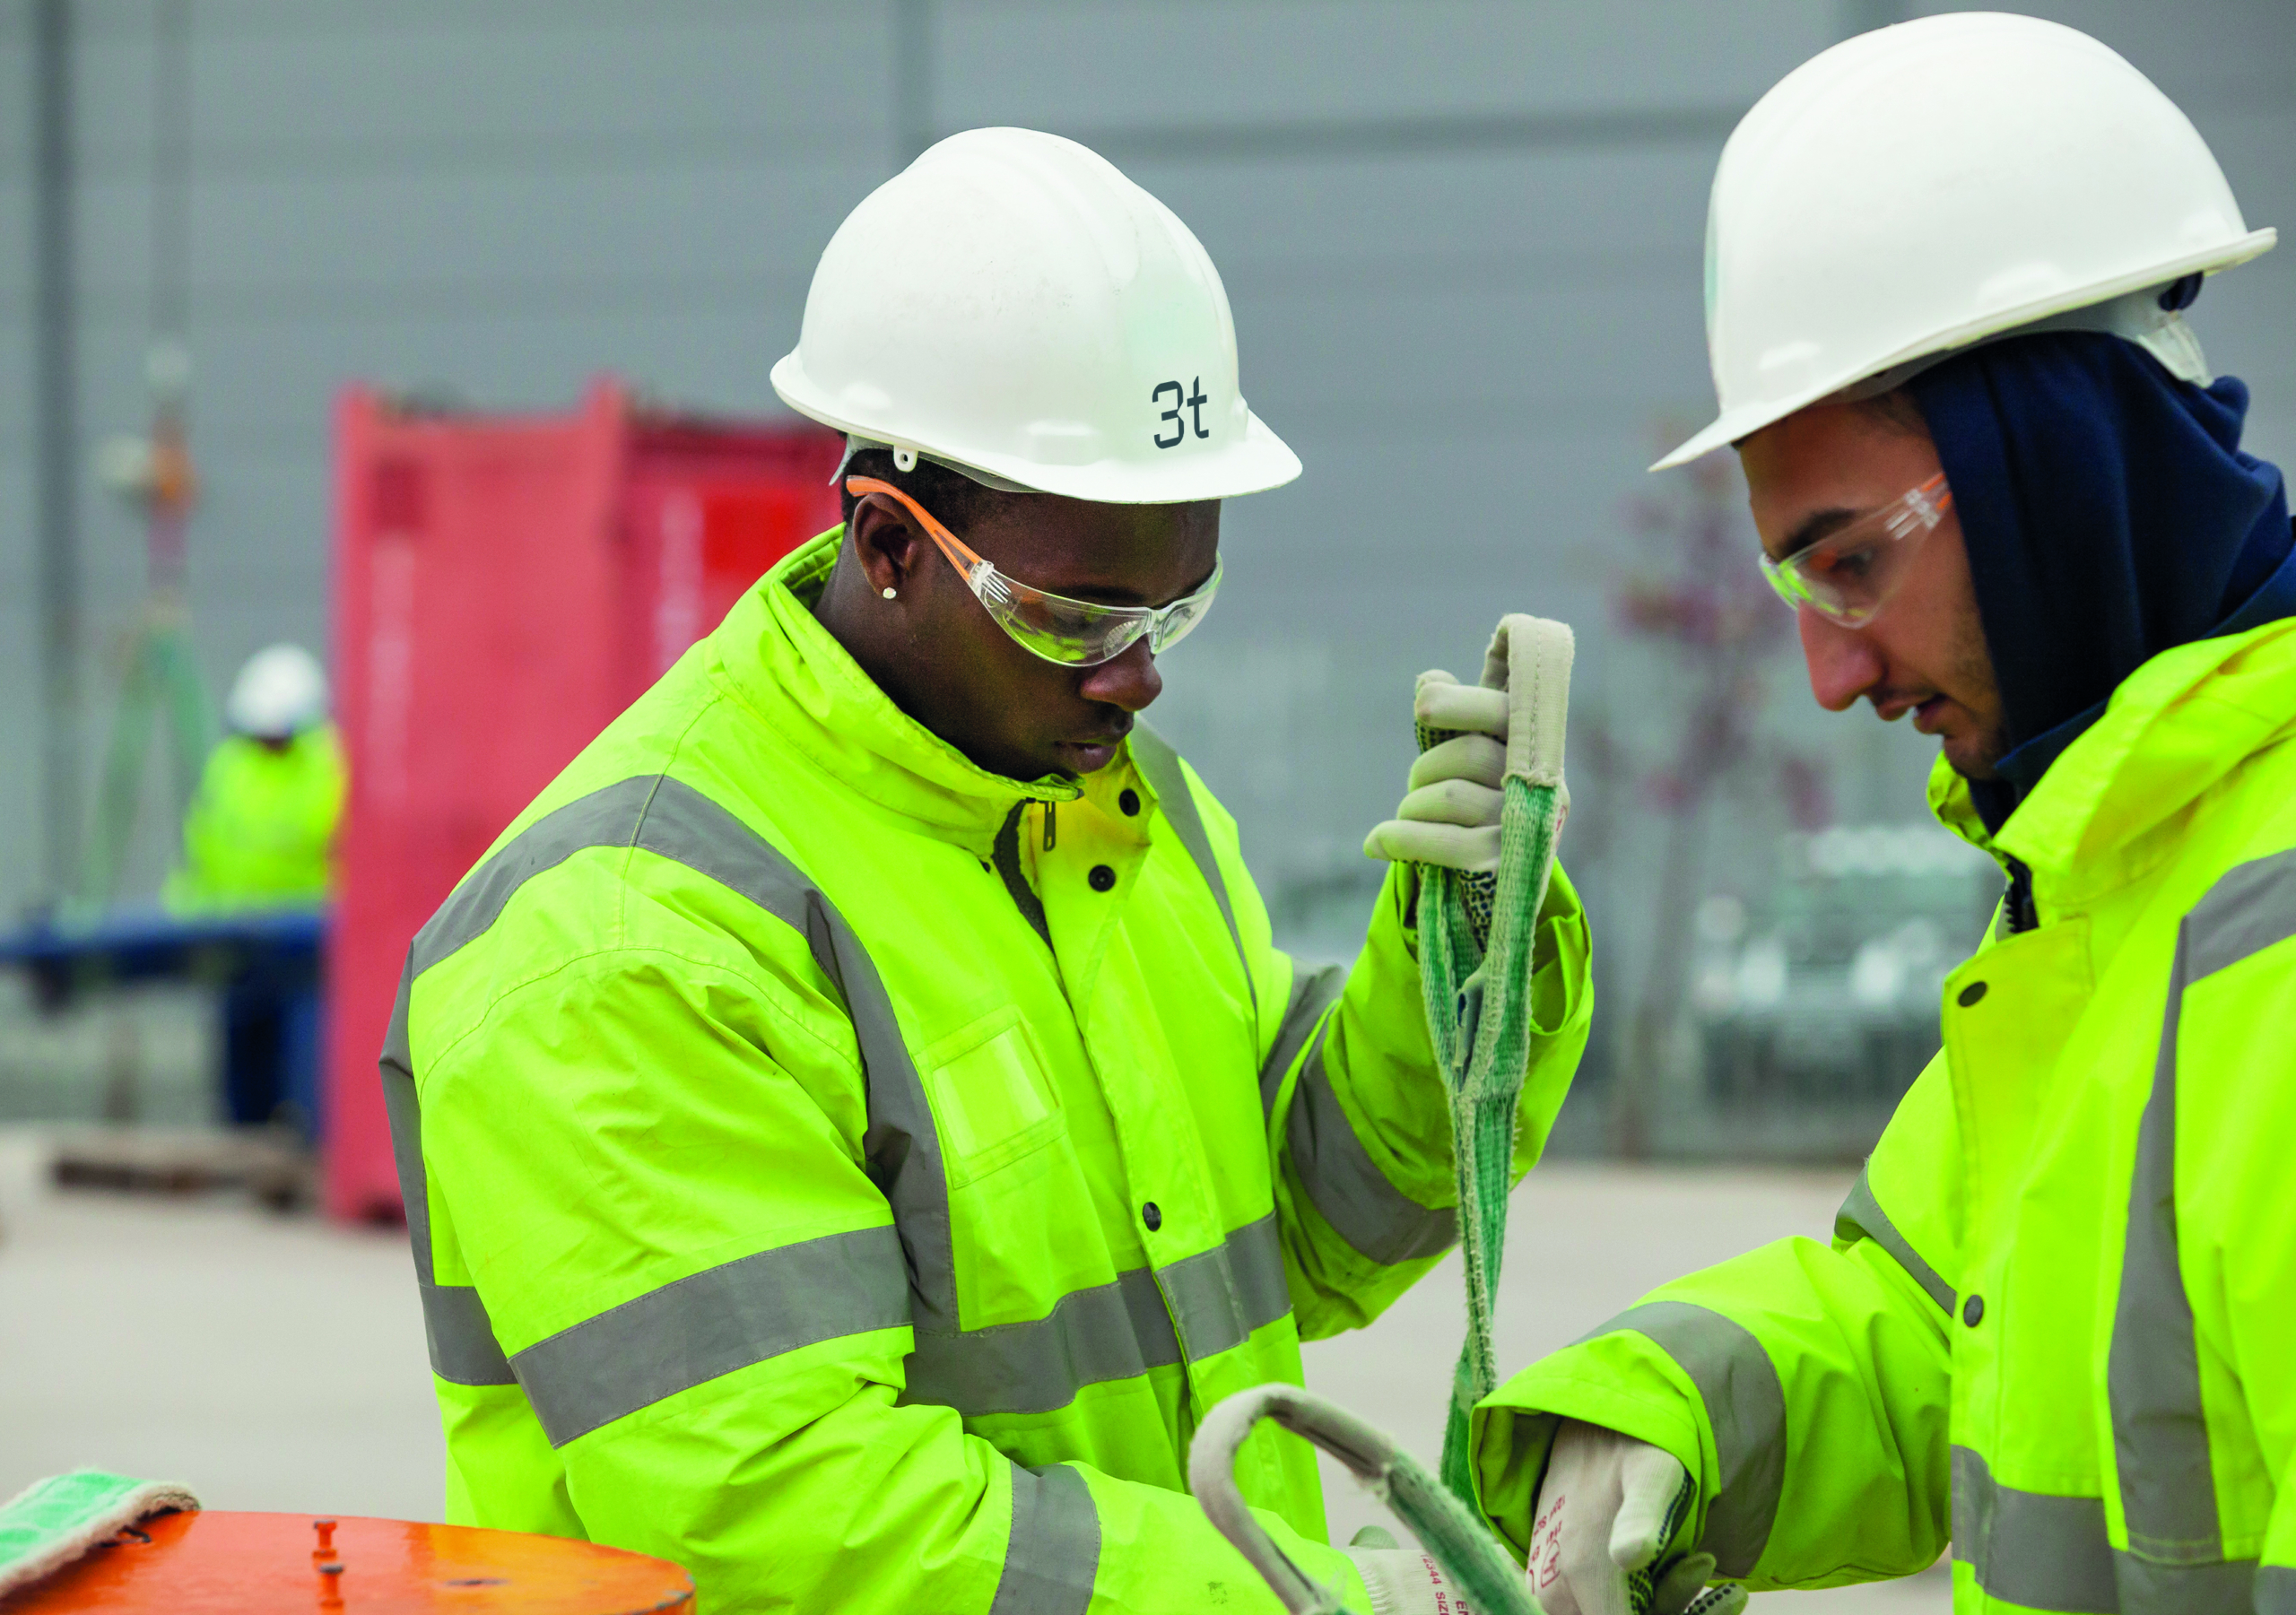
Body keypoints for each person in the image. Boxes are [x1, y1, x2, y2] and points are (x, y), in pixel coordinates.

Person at [383, 128, 1592, 1613]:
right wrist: (1303, 1600)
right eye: (1080, 621)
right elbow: (796, 1525)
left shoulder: (1103, 806)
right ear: (888, 542)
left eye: (1178, 609)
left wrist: (1461, 972)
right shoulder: (633, 943)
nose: (1136, 681)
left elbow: (1305, 1240)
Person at [1467, 15, 2296, 1615]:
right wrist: (1654, 1420)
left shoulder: (2256, 927)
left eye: (1853, 561)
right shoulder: (2105, 879)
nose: (1829, 674)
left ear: (2054, 459)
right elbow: (1942, 1321)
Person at [166, 642, 343, 913]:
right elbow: (199, 857)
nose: (268, 745)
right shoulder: (227, 765)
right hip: (227, 930)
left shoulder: (332, 767)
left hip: (307, 933)